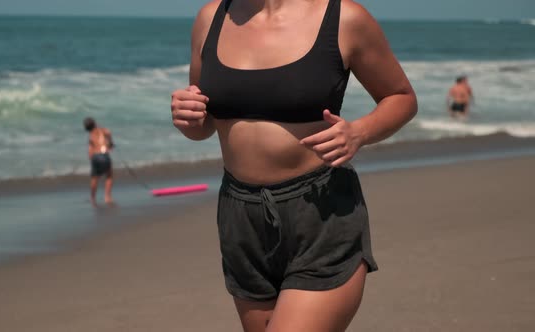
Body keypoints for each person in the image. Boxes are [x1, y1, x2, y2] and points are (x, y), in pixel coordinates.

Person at [170, 0, 417, 331]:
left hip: (320, 212)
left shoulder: (344, 17)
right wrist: (188, 119)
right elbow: (204, 124)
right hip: (240, 217)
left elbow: (401, 97)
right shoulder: (209, 19)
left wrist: (358, 133)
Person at [83, 117, 114, 206]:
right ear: (95, 123)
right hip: (104, 155)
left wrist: (91, 160)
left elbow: (90, 151)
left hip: (95, 157)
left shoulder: (91, 135)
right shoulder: (101, 130)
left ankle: (93, 199)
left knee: (94, 178)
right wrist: (110, 143)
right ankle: (107, 197)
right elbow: (108, 132)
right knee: (109, 176)